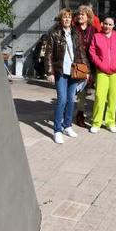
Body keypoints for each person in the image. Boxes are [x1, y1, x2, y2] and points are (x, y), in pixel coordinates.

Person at [44, 8, 90, 144]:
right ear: (60, 19)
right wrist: (50, 72)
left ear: (72, 19)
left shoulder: (75, 33)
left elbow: (81, 52)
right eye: (64, 17)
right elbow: (48, 54)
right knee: (62, 100)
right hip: (60, 71)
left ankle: (67, 126)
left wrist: (86, 70)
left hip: (74, 71)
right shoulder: (54, 33)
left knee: (71, 99)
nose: (67, 19)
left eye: (69, 17)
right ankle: (57, 130)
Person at [89, 16, 116, 133]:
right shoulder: (97, 36)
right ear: (102, 24)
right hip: (102, 72)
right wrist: (100, 65)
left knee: (113, 97)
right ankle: (96, 122)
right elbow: (92, 52)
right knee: (99, 97)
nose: (107, 26)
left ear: (114, 26)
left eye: (110, 24)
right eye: (105, 24)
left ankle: (110, 122)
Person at [73, 5, 97, 128]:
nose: (80, 16)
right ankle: (79, 115)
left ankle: (92, 115)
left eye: (83, 14)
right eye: (79, 14)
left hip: (92, 63)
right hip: (78, 63)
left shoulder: (93, 30)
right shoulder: (73, 29)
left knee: (88, 91)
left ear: (88, 17)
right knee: (79, 91)